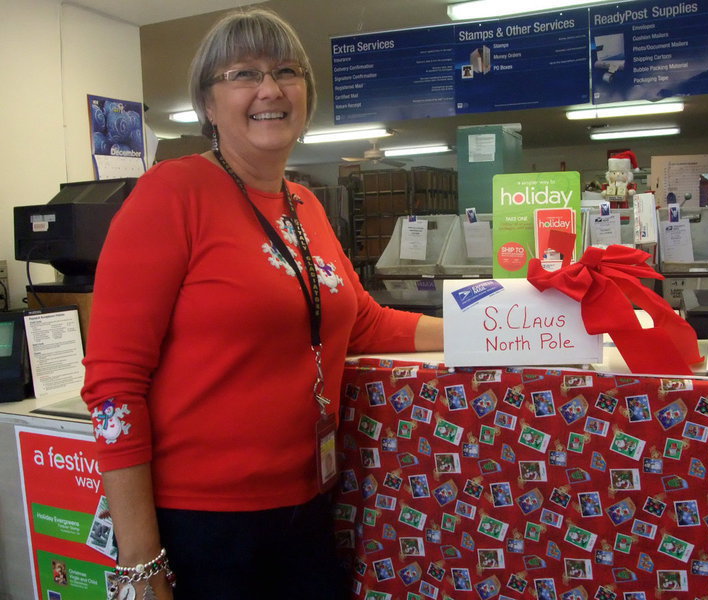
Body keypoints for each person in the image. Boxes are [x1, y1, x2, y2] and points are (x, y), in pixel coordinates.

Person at [81, 8, 443, 600]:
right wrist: (141, 563)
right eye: (244, 74)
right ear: (207, 102)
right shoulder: (170, 195)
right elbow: (114, 386)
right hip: (203, 525)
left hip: (308, 504)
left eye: (286, 71)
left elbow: (363, 323)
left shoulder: (305, 206)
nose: (270, 89)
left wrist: (497, 329)